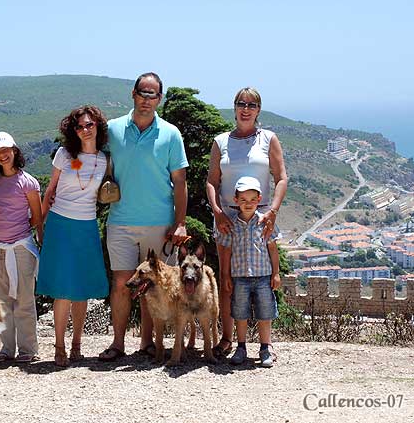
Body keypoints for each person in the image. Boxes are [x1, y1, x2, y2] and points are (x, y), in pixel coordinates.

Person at [98, 72, 189, 361]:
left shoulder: (171, 134)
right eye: (143, 93)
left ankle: (149, 343)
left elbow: (180, 181)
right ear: (133, 94)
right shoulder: (112, 130)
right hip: (120, 221)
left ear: (159, 99)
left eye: (153, 95)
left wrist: (181, 222)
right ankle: (117, 343)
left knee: (154, 285)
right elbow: (90, 157)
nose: (147, 99)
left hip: (160, 223)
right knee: (122, 283)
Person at [206, 86, 288, 358]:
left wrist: (273, 211)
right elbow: (211, 181)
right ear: (234, 107)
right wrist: (218, 212)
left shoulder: (269, 139)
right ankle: (229, 339)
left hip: (261, 217)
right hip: (228, 217)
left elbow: (282, 177)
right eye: (241, 103)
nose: (246, 108)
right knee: (228, 277)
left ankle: (266, 344)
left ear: (258, 110)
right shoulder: (220, 141)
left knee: (264, 279)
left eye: (251, 105)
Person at [36, 105, 109, 367]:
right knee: (63, 289)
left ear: (98, 126)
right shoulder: (64, 155)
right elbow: (49, 191)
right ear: (72, 130)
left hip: (87, 226)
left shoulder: (104, 159)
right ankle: (59, 346)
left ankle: (77, 344)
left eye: (89, 125)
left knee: (82, 291)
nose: (85, 130)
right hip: (60, 224)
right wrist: (40, 226)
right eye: (79, 126)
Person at [0, 131, 43, 363]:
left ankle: (28, 350)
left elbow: (37, 216)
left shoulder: (29, 182)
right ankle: (7, 350)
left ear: (15, 151)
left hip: (20, 248)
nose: (3, 155)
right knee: (3, 301)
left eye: (6, 150)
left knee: (24, 299)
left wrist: (40, 242)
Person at [218, 176, 282, 367]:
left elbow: (272, 249)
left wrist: (276, 273)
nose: (248, 204)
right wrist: (226, 276)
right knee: (240, 313)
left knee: (265, 312)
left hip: (263, 276)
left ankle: (264, 348)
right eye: (243, 200)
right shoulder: (232, 226)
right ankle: (241, 347)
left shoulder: (265, 223)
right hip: (239, 278)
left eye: (252, 200)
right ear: (236, 200)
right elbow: (227, 252)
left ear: (259, 200)